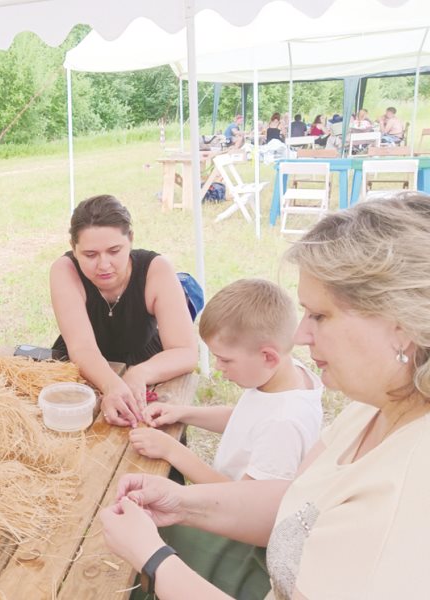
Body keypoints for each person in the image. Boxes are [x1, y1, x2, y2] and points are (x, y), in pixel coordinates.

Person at [101, 194, 430, 599]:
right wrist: (182, 501)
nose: (300, 335)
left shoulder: (405, 499)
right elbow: (289, 501)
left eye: (320, 316)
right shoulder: (376, 404)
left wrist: (153, 558)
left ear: (404, 324)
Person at [129, 278, 323, 485]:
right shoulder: (281, 375)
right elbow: (245, 419)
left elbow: (245, 503)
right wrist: (183, 413)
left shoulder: (284, 424)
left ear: (268, 357)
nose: (218, 367)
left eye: (225, 359)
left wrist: (172, 451)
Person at [50, 195, 198, 428]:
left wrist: (139, 374)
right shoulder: (64, 270)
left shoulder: (156, 269)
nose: (104, 264)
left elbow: (185, 352)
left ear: (130, 240)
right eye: (90, 255)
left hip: (147, 364)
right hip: (82, 366)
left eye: (114, 251)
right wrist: (112, 385)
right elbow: (82, 348)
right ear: (74, 249)